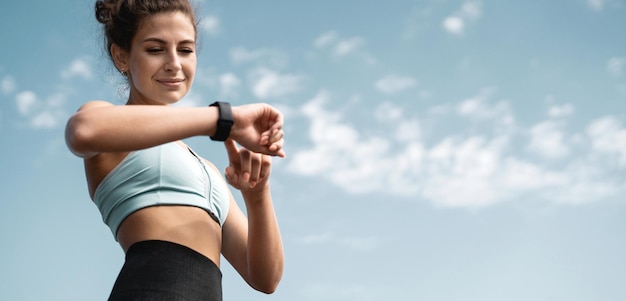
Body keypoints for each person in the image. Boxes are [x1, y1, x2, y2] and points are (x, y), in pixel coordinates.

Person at [64, 0, 285, 300]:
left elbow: (264, 277)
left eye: (185, 49)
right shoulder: (108, 124)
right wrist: (222, 120)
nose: (174, 63)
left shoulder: (206, 170)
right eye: (155, 49)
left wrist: (257, 196)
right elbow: (82, 131)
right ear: (121, 57)